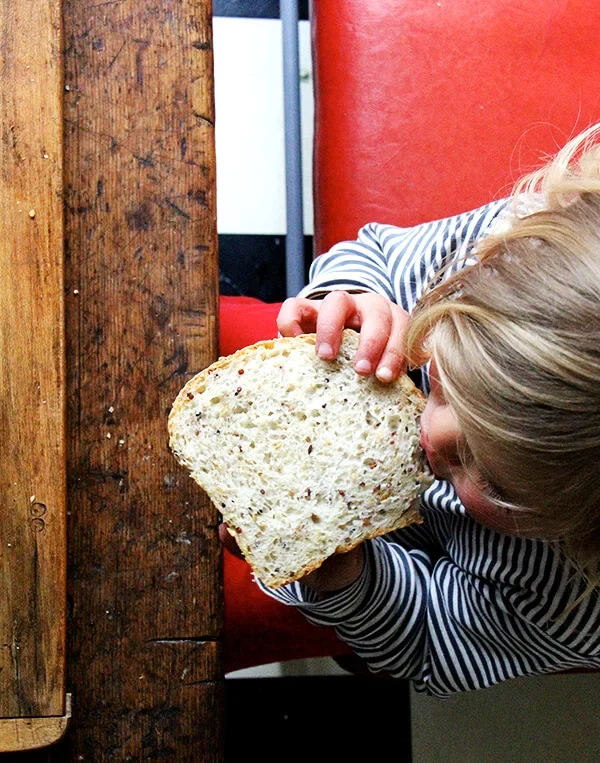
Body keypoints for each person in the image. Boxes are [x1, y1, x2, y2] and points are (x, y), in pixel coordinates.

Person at [220, 123, 600, 697]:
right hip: (329, 369)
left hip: (376, 571)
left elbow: (429, 642)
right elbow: (375, 254)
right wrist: (349, 300)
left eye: (491, 477)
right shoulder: (522, 254)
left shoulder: (569, 601)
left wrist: (347, 581)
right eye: (446, 383)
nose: (430, 433)